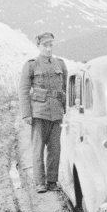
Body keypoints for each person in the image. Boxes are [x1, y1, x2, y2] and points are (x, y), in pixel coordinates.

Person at [19, 32, 68, 193]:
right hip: (39, 113)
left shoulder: (60, 64)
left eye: (50, 45)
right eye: (45, 45)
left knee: (55, 148)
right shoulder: (31, 65)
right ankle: (40, 182)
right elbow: (24, 90)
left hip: (56, 113)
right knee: (38, 148)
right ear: (38, 46)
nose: (48, 48)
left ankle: (52, 181)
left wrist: (66, 110)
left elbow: (65, 89)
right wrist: (26, 113)